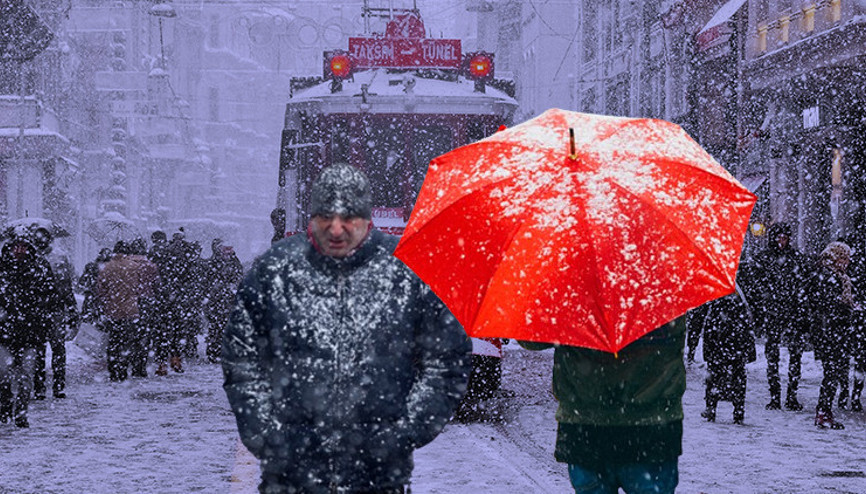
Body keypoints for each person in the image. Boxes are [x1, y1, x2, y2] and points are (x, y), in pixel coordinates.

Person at [222, 163, 472, 493]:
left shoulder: (405, 272)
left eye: (348, 218)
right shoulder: (275, 270)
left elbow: (447, 357)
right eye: (326, 217)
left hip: (379, 474)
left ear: (367, 219)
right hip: (291, 472)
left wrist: (406, 431)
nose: (336, 229)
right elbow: (241, 357)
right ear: (312, 217)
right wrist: (264, 432)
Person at [520, 316, 686, 494]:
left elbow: (529, 337)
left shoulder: (572, 298)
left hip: (586, 428)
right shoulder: (664, 295)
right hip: (653, 429)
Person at [0, 233, 60, 428]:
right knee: (4, 374)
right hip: (6, 332)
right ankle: (6, 405)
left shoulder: (40, 269)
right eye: (15, 247)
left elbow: (51, 296)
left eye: (23, 247)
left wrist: (40, 314)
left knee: (26, 374)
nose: (19, 251)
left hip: (30, 333)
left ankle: (21, 412)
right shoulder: (3, 269)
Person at [751, 222, 811, 411]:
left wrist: (801, 312)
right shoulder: (764, 259)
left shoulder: (795, 259)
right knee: (773, 356)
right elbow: (757, 287)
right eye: (779, 238)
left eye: (785, 238)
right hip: (773, 313)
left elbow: (803, 285)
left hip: (791, 313)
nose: (782, 242)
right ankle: (775, 395)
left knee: (795, 355)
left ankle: (791, 396)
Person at [688, 290, 757, 424]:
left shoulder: (717, 296)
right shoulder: (738, 298)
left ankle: (712, 408)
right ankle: (737, 411)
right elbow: (747, 321)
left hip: (720, 342)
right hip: (733, 343)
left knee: (715, 375)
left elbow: (701, 316)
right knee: (737, 377)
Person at [96, 240, 159, 381]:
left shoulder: (106, 267)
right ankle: (123, 370)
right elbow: (140, 287)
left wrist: (107, 302)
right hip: (130, 309)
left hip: (112, 309)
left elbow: (101, 290)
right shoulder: (134, 267)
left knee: (113, 341)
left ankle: (113, 371)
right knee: (127, 340)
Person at [810, 241, 855, 429]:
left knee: (832, 373)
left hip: (831, 332)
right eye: (843, 258)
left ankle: (824, 411)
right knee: (831, 373)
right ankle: (823, 412)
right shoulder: (828, 277)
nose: (846, 263)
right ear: (835, 258)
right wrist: (847, 309)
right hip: (829, 333)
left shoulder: (832, 276)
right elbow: (828, 307)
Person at [31, 226, 79, 400]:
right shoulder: (59, 258)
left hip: (39, 311)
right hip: (53, 310)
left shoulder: (31, 258)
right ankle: (57, 387)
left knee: (40, 350)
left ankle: (40, 388)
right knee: (56, 349)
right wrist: (72, 309)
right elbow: (67, 287)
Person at [204, 238, 243, 363]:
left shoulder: (233, 263)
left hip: (226, 300)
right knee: (216, 327)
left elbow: (239, 279)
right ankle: (215, 351)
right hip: (218, 301)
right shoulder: (213, 264)